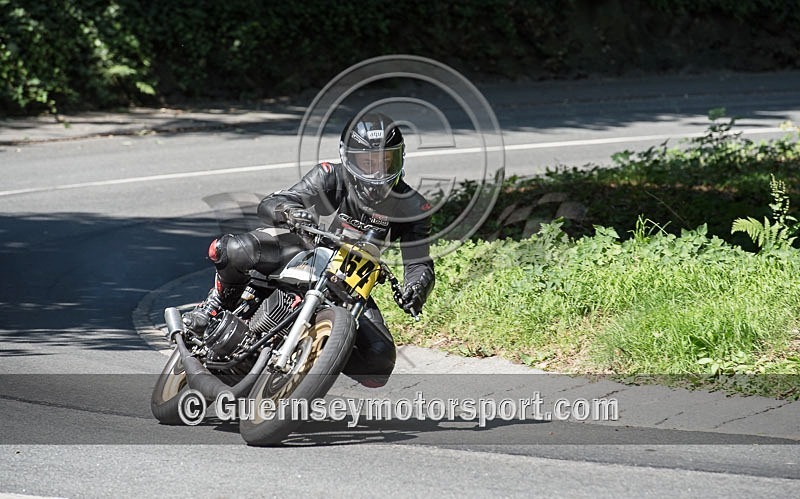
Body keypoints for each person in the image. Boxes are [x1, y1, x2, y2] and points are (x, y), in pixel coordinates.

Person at [182, 112, 435, 387]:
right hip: (301, 252)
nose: (377, 172)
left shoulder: (413, 206)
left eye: (386, 161)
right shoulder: (329, 175)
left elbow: (419, 261)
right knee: (233, 248)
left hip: (348, 282)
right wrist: (291, 211)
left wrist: (417, 285)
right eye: (367, 162)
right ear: (348, 158)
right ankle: (215, 306)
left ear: (399, 158)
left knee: (379, 362)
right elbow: (276, 201)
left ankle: (315, 360)